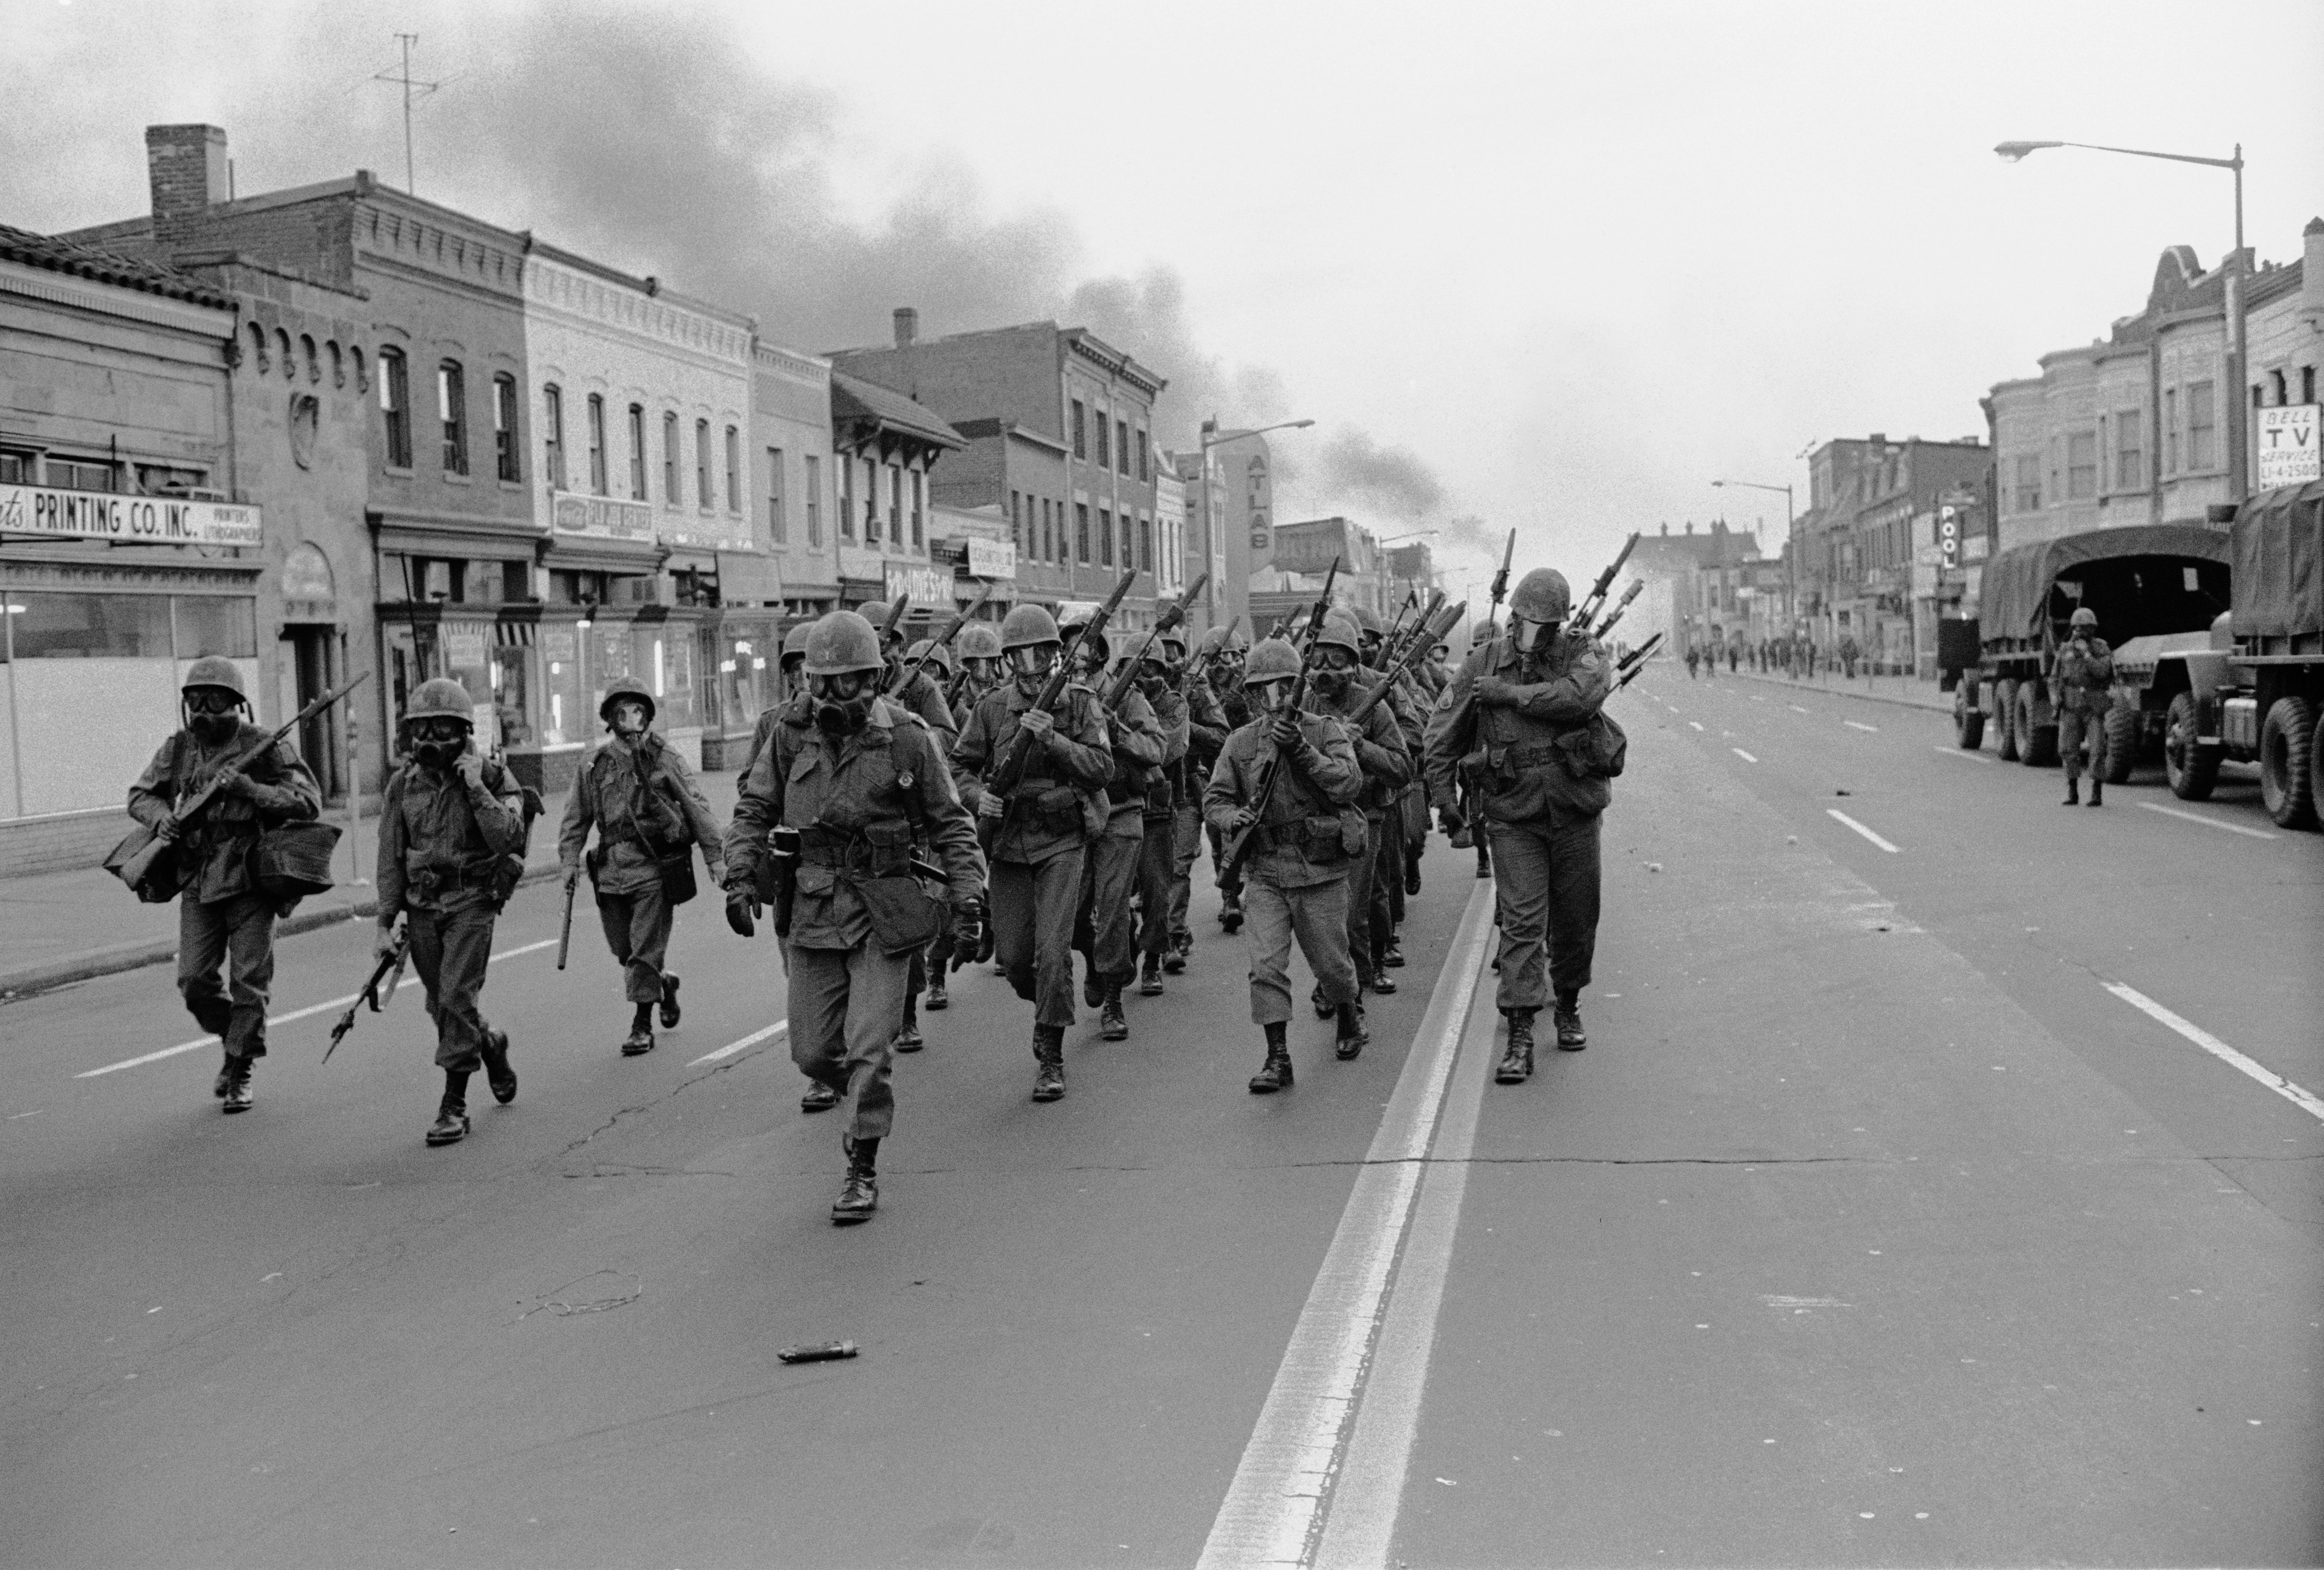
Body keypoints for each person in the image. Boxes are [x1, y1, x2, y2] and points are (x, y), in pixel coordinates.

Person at [722, 611, 985, 1223]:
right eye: (825, 683)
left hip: (882, 911)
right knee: (813, 1053)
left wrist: (968, 895)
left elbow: (950, 821)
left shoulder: (907, 737)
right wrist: (740, 876)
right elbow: (753, 808)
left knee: (870, 1046)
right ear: (809, 683)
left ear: (875, 678)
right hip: (812, 909)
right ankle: (858, 1101)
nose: (838, 696)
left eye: (852, 682)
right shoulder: (788, 737)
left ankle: (861, 1163)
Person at [1425, 568, 1616, 1083]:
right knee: (1523, 924)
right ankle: (1520, 1032)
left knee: (1576, 920)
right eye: (1527, 622)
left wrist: (1510, 696)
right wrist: (1445, 802)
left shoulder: (1583, 652)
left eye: (1545, 625)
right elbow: (1442, 735)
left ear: (1560, 624)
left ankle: (1569, 1002)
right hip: (1513, 816)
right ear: (1513, 617)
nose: (1534, 634)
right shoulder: (1483, 662)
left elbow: (1582, 697)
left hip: (1574, 810)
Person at [126, 656, 323, 1113]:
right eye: (196, 701)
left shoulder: (265, 745)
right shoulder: (179, 747)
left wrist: (250, 790)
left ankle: (240, 1066)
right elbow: (140, 795)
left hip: (252, 874)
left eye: (216, 701)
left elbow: (307, 802)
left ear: (238, 703)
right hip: (197, 873)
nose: (205, 712)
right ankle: (232, 1034)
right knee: (194, 978)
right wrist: (164, 820)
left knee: (249, 979)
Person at [950, 605, 1116, 1100]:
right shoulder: (992, 708)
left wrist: (1055, 740)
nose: (1033, 661)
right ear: (1008, 659)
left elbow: (1103, 767)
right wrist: (980, 797)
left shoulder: (1081, 703)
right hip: (1007, 843)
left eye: (1043, 651)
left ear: (1054, 654)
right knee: (1017, 957)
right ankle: (1048, 1001)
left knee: (1051, 954)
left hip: (1062, 840)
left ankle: (1050, 1051)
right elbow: (958, 768)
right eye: (1022, 653)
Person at [1204, 636, 1368, 1090]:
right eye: (1262, 691)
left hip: (1320, 870)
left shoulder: (1323, 730)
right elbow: (1214, 797)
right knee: (1265, 966)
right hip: (1267, 872)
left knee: (1333, 965)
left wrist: (1301, 750)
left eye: (1282, 689)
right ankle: (1277, 1056)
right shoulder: (1240, 743)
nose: (1272, 700)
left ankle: (1349, 1015)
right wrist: (1229, 817)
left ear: (1297, 688)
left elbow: (1348, 784)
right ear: (1253, 695)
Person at [377, 678, 530, 1146]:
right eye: (421, 731)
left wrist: (475, 784)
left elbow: (507, 836)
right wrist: (384, 923)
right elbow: (390, 856)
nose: (429, 741)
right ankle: (488, 1043)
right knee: (440, 1003)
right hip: (424, 906)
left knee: (456, 997)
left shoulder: (495, 778)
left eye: (442, 731)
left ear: (465, 734)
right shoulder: (403, 785)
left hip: (472, 901)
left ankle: (454, 1103)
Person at [557, 678, 726, 1057]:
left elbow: (695, 804)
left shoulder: (664, 757)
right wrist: (569, 861)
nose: (631, 719)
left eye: (638, 711)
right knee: (624, 950)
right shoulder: (594, 764)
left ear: (648, 715)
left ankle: (641, 1024)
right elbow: (575, 816)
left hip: (654, 869)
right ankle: (663, 984)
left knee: (645, 949)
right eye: (622, 712)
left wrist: (716, 858)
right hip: (610, 872)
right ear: (610, 718)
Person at [1067, 612, 1165, 1038]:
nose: (1077, 658)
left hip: (1122, 810)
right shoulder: (1062, 698)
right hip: (1073, 815)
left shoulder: (1126, 697)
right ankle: (1094, 959)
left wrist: (1117, 730)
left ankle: (1112, 998)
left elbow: (1157, 746)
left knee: (1111, 909)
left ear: (1102, 654)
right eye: (1069, 648)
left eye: (1084, 648)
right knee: (1071, 913)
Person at [1306, 611, 1410, 1014]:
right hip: (1317, 820)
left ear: (1353, 664)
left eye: (1335, 660)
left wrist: (1362, 747)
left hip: (1365, 816)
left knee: (1355, 913)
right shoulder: (1306, 704)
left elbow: (1403, 768)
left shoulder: (1375, 707)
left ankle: (1356, 991)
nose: (1325, 670)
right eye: (1318, 660)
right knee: (1324, 918)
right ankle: (1333, 981)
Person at [1132, 632, 1191, 995]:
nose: (1144, 676)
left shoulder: (1175, 704)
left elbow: (1168, 748)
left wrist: (1127, 742)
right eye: (1136, 668)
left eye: (1152, 668)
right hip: (1118, 809)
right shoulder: (1113, 701)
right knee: (1112, 896)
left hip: (1157, 810)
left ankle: (1152, 960)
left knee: (1157, 893)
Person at [1192, 622, 1253, 932]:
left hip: (1248, 770)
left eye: (1232, 657)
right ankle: (1229, 897)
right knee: (1219, 835)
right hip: (1213, 770)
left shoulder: (1251, 686)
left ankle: (1242, 893)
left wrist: (1240, 705)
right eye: (1218, 659)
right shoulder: (1199, 692)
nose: (1226, 666)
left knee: (1244, 834)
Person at [863, 598, 959, 750]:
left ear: (901, 648)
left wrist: (905, 723)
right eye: (870, 647)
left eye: (886, 647)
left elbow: (949, 738)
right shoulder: (850, 683)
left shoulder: (921, 684)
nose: (880, 658)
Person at [2052, 606, 2115, 807]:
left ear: (2093, 630)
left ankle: (2096, 792)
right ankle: (2073, 791)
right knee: (2067, 749)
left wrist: (2087, 654)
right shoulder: (2064, 650)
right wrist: (2055, 698)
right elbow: (2054, 678)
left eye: (2086, 628)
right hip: (2071, 706)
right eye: (2078, 628)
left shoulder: (2101, 648)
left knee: (2097, 750)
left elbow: (2103, 672)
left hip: (2093, 708)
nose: (2081, 632)